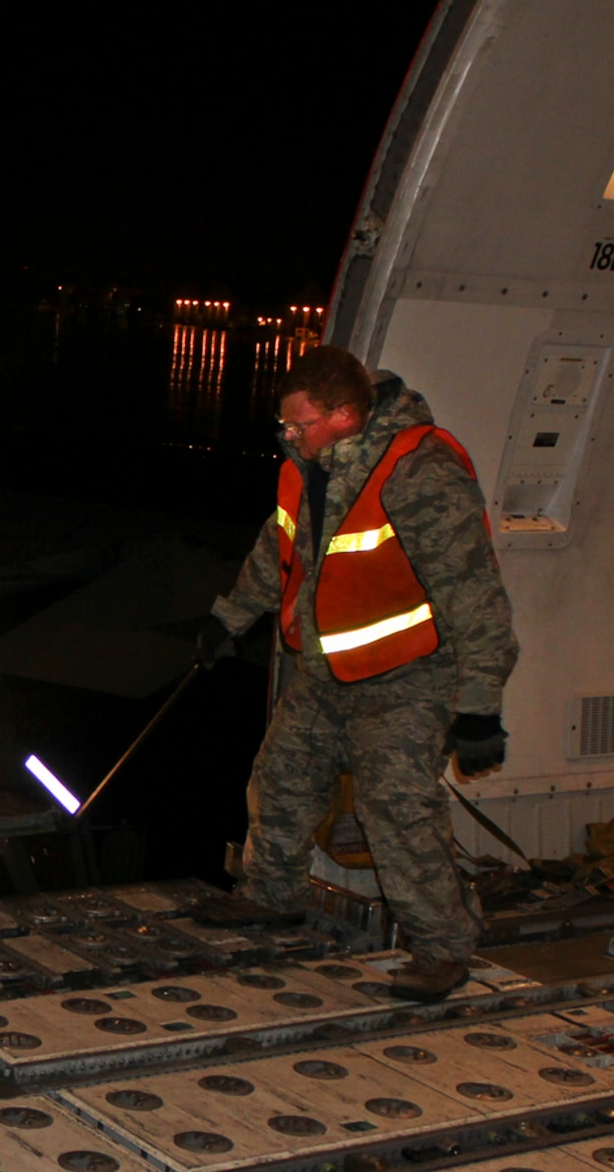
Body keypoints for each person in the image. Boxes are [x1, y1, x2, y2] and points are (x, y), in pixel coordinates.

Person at [190, 346, 518, 1001]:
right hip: (328, 667)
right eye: (284, 426)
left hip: (409, 676)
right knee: (281, 775)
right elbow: (278, 552)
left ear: (345, 415)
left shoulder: (421, 472)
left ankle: (444, 948)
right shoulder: (303, 469)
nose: (287, 436)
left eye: (298, 425)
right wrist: (230, 619)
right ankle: (269, 893)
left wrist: (478, 705)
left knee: (393, 804)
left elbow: (476, 596)